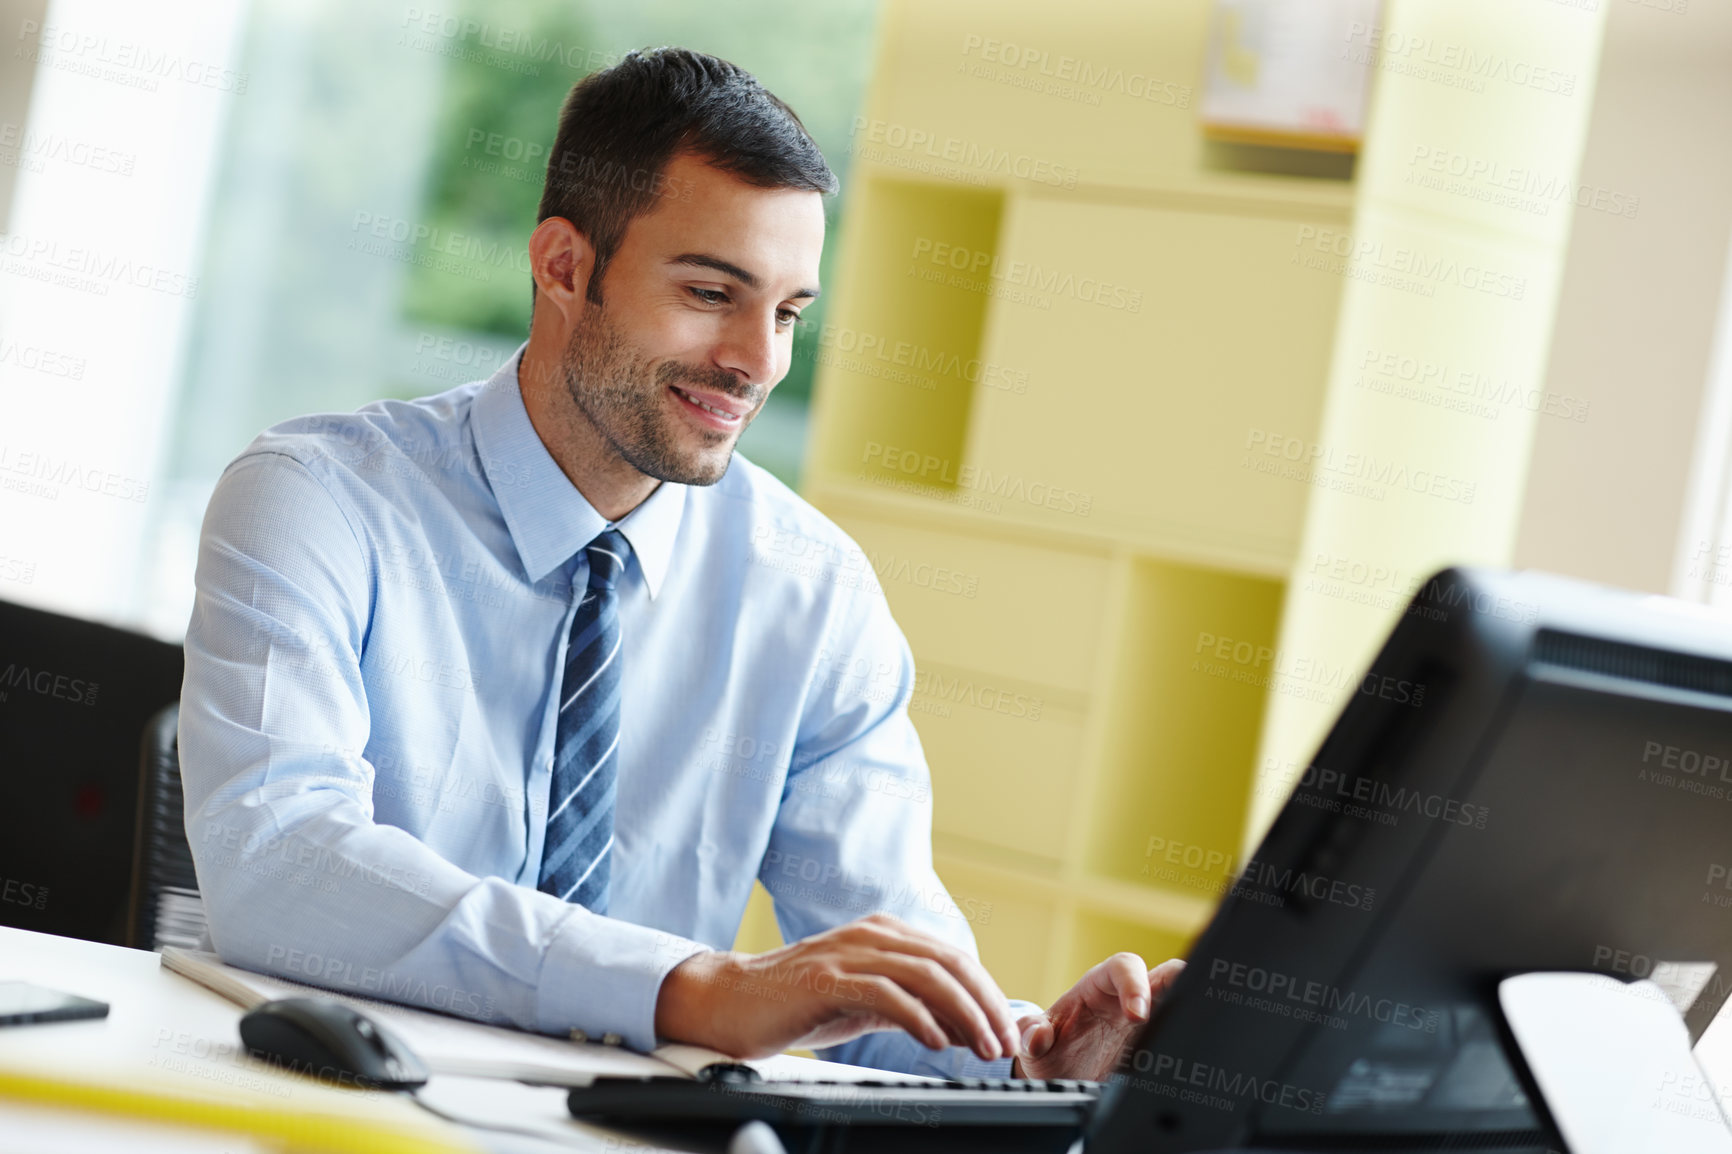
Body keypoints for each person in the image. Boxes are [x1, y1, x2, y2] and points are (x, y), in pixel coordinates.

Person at [181, 46, 1182, 1080]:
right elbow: (280, 860)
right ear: (565, 266)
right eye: (713, 292)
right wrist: (689, 990)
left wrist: (1028, 1058)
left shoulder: (812, 593)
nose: (759, 360)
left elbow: (873, 969)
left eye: (789, 310)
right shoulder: (317, 499)